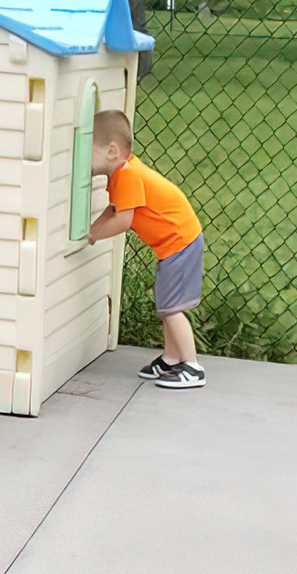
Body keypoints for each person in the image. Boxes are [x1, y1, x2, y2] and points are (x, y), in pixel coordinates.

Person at [88, 110, 206, 388]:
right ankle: (172, 358)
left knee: (172, 308)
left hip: (180, 242)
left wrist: (93, 236)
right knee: (166, 304)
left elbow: (123, 221)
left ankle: (191, 365)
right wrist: (91, 231)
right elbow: (114, 209)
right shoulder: (123, 174)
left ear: (111, 151)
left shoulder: (128, 175)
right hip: (175, 243)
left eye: (87, 149)